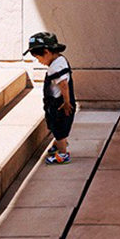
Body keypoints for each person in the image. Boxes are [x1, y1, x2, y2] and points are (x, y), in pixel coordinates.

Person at [24, 32, 75, 165]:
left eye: (38, 57)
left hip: (59, 104)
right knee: (56, 126)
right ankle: (60, 144)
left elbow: (63, 84)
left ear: (46, 52)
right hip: (57, 102)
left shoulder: (55, 67)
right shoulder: (60, 60)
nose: (39, 61)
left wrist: (66, 102)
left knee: (59, 128)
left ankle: (63, 154)